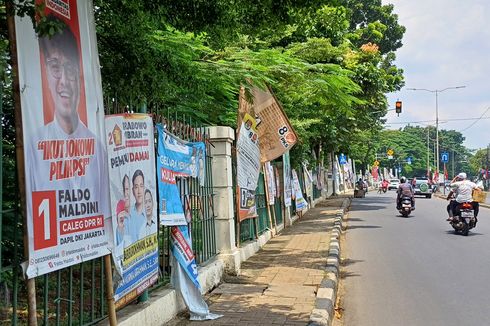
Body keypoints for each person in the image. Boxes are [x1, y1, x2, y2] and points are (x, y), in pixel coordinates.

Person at [26, 15, 109, 226]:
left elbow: (106, 220)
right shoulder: (33, 149)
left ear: (79, 76)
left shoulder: (97, 149)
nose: (64, 81)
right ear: (45, 72)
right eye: (55, 67)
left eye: (70, 69)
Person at [127, 169, 147, 243]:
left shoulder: (149, 213)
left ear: (144, 188)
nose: (139, 191)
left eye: (141, 186)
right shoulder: (128, 214)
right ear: (132, 190)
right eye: (136, 187)